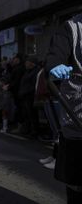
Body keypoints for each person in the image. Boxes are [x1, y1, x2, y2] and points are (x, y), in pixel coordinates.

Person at [45, 13, 82, 203]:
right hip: (78, 112)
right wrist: (55, 66)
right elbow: (55, 55)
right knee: (76, 178)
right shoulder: (71, 27)